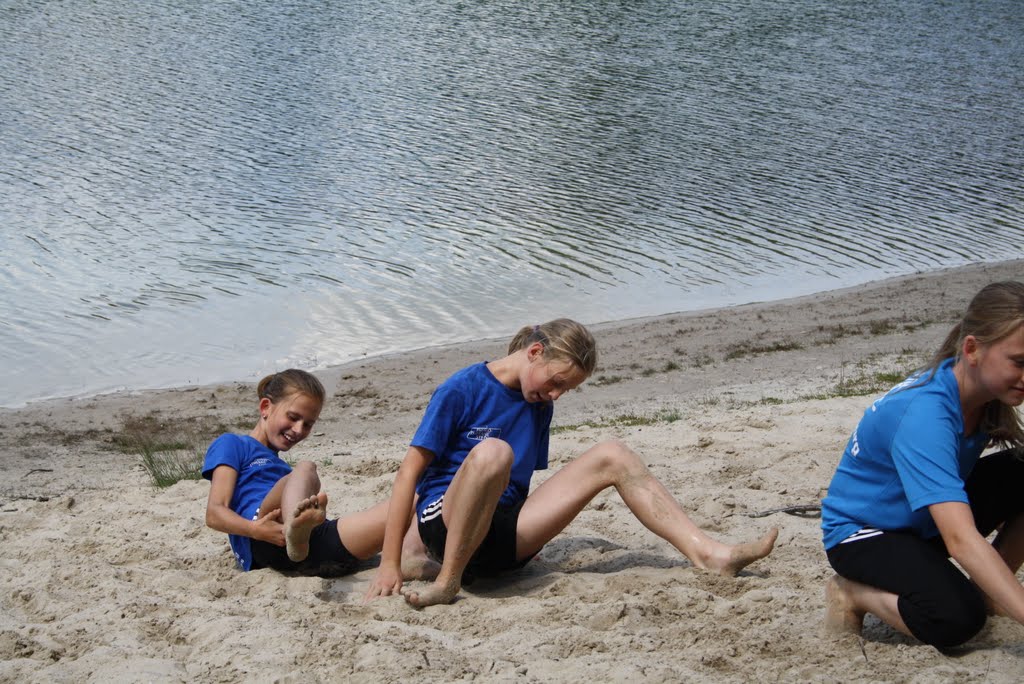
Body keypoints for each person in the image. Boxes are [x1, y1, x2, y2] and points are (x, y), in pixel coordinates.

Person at [365, 318, 778, 607]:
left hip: (501, 545)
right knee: (494, 452)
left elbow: (519, 487)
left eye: (566, 390)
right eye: (556, 382)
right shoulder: (462, 388)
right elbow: (408, 475)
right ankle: (447, 580)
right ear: (535, 352)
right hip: (445, 525)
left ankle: (709, 554)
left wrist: (533, 537)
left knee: (613, 453)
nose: (556, 395)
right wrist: (390, 562)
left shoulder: (538, 404)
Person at [822, 281, 1024, 648]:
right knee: (957, 618)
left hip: (920, 520)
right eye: (1020, 362)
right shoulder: (924, 414)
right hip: (865, 533)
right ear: (972, 349)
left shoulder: (984, 390)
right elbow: (961, 540)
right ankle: (852, 593)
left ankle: (992, 593)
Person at [203, 368, 435, 578]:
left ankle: (411, 553)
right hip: (264, 532)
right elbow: (215, 513)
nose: (298, 429)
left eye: (308, 424)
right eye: (293, 417)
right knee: (305, 468)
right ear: (266, 407)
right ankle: (294, 528)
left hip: (317, 551)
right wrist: (255, 530)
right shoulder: (233, 444)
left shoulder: (283, 470)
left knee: (421, 495)